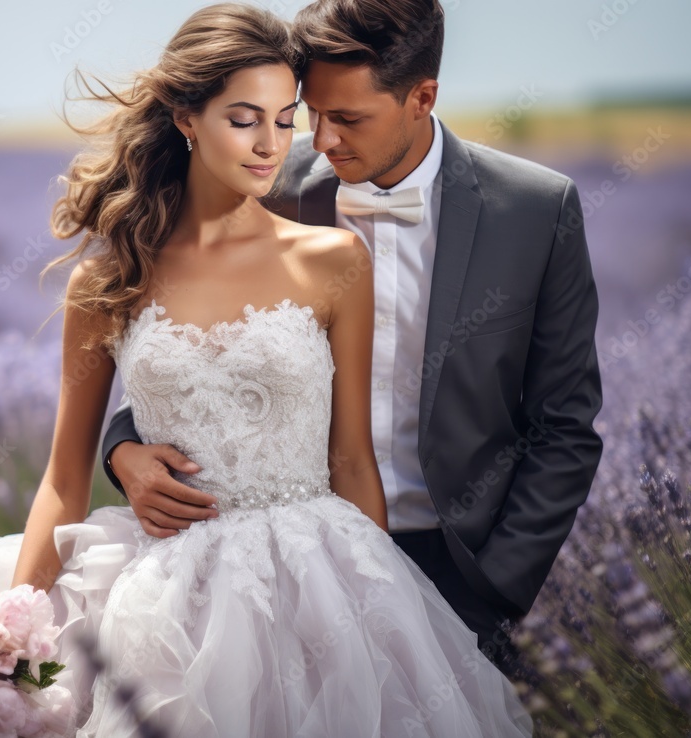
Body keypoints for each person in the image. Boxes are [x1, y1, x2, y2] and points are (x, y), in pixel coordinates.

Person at [0, 3, 534, 735]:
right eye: (244, 119)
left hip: (318, 585)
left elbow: (351, 459)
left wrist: (383, 620)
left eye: (284, 119)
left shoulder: (332, 261)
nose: (272, 145)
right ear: (185, 118)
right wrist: (9, 638)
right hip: (165, 601)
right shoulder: (109, 283)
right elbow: (63, 480)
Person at [100, 0, 605, 673]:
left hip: (462, 567)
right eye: (312, 114)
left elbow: (565, 426)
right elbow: (200, 361)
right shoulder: (265, 180)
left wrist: (493, 591)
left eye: (348, 119)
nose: (322, 141)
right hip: (279, 574)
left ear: (422, 97)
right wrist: (123, 449)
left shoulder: (537, 212)